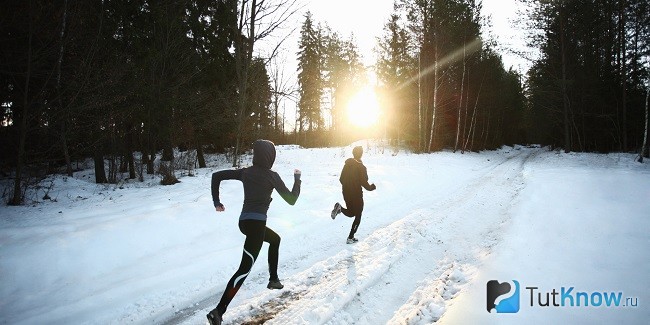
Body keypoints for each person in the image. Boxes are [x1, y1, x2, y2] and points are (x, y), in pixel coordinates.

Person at [206, 139, 301, 325]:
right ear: (270, 156)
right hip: (256, 226)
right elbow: (291, 199)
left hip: (244, 222)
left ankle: (273, 279)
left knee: (275, 239)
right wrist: (297, 180)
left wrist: (216, 202)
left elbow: (216, 176)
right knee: (244, 270)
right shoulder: (272, 176)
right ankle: (218, 311)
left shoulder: (246, 172)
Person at [331, 145, 376, 244]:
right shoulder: (362, 167)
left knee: (351, 213)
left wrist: (348, 186)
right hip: (356, 194)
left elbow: (341, 179)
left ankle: (340, 208)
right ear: (361, 154)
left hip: (346, 192)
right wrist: (372, 187)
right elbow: (364, 183)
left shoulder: (347, 164)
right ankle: (350, 237)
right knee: (358, 215)